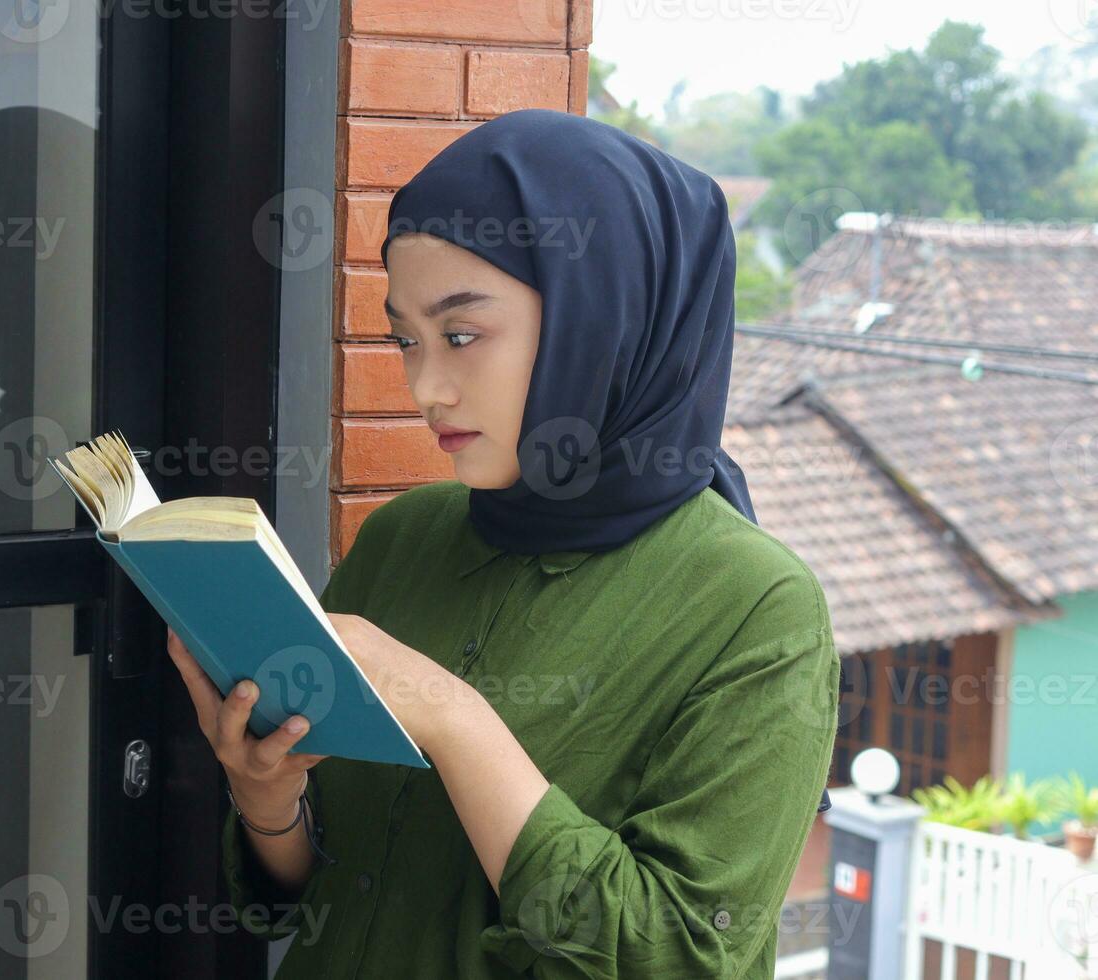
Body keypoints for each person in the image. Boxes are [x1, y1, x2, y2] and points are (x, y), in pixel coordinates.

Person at [165, 108, 839, 978]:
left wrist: (451, 717)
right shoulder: (402, 540)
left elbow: (678, 955)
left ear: (605, 323)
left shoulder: (757, 611)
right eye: (405, 338)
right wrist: (268, 798)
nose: (425, 386)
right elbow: (314, 891)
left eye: (462, 334)